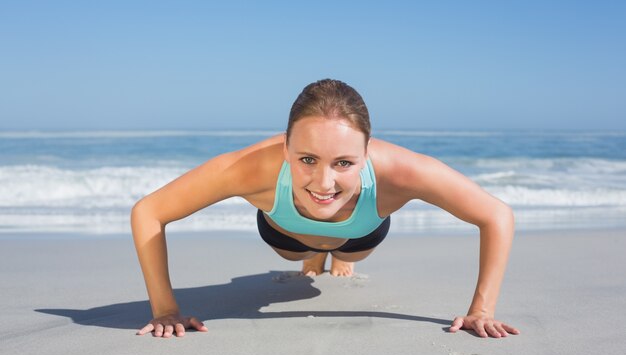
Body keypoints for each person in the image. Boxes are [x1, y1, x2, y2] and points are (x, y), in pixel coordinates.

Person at [132, 79, 520, 339]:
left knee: (350, 251)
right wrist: (165, 309)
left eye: (344, 163)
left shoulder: (402, 171)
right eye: (306, 159)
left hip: (360, 229)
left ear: (367, 155)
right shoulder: (251, 168)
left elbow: (496, 215)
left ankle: (337, 256)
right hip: (285, 231)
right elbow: (149, 211)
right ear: (284, 149)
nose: (323, 182)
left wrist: (480, 310)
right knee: (296, 252)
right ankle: (313, 257)